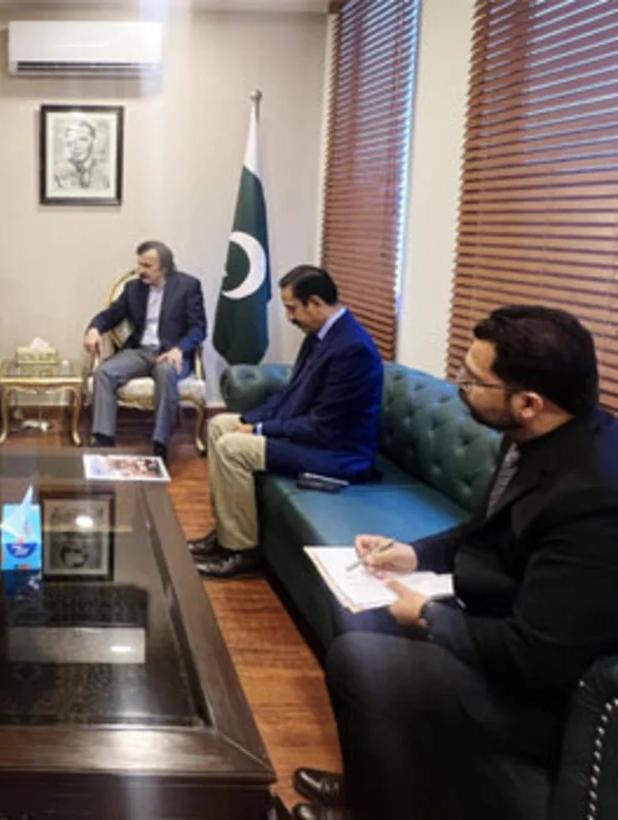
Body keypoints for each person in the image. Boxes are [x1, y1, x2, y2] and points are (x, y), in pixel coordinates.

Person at [291, 306, 618, 820]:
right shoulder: (534, 438)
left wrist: (428, 616)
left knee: (359, 661)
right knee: (355, 613)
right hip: (495, 620)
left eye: (471, 379)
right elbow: (484, 529)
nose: (458, 387)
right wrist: (413, 554)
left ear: (528, 403)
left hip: (541, 697)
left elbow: (538, 656)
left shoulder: (593, 497)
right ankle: (371, 783)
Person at [191, 265, 383, 578]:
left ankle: (241, 551)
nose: (289, 317)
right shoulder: (320, 335)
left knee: (232, 447)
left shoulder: (352, 348)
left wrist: (259, 430)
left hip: (336, 454)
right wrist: (247, 419)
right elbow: (290, 394)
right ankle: (225, 533)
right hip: (311, 437)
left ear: (316, 303)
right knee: (219, 425)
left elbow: (323, 427)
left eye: (292, 308)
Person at [84, 240, 206, 463]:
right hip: (140, 351)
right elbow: (111, 315)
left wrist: (180, 349)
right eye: (139, 264)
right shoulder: (133, 288)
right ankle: (103, 439)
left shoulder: (188, 286)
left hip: (171, 353)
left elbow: (198, 328)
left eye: (147, 266)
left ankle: (160, 444)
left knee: (166, 372)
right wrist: (94, 329)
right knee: (103, 372)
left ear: (164, 267)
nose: (140, 270)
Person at [53, 120, 110, 191]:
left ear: (93, 141)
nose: (76, 146)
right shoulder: (58, 173)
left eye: (83, 140)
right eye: (72, 141)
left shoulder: (106, 172)